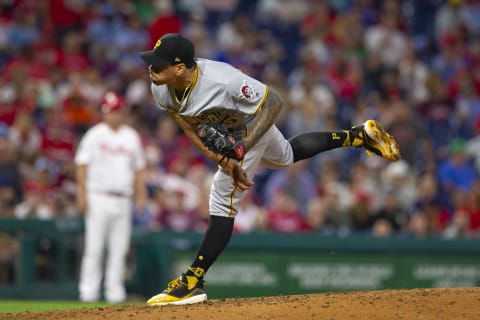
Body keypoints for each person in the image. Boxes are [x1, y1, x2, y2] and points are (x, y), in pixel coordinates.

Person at [138, 33, 400, 306]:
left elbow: (274, 101)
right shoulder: (161, 86)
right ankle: (359, 136)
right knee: (285, 155)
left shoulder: (222, 79)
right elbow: (187, 124)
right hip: (232, 136)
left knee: (221, 197)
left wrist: (242, 148)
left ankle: (192, 280)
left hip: (252, 125)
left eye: (159, 64)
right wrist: (221, 159)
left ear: (180, 68)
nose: (151, 68)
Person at [75, 92, 147, 303]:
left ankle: (115, 293)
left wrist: (141, 196)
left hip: (124, 198)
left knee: (119, 248)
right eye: (109, 111)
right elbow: (81, 165)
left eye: (116, 111)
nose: (113, 116)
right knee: (94, 247)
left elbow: (139, 169)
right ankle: (88, 292)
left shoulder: (131, 136)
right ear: (104, 113)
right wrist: (81, 194)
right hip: (98, 195)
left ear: (122, 113)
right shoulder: (95, 134)